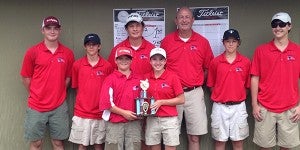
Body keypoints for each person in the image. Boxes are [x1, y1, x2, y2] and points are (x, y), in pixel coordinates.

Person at [160, 6, 214, 150]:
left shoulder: (203, 42)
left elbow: (208, 68)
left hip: (194, 93)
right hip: (172, 94)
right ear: (176, 20)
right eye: (181, 17)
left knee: (194, 136)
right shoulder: (166, 42)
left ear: (193, 20)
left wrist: (196, 81)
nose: (184, 20)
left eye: (187, 17)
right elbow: (160, 68)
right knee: (171, 136)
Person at [20, 16, 75, 150]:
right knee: (36, 143)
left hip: (59, 106)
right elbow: (26, 77)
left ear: (59, 31)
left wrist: (57, 92)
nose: (52, 31)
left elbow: (67, 78)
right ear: (42, 30)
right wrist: (37, 93)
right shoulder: (32, 52)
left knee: (58, 143)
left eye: (55, 28)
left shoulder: (67, 53)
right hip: (36, 106)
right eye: (48, 28)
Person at [251, 12, 300, 150]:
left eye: (282, 24)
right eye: (274, 24)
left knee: (286, 147)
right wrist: (254, 105)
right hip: (265, 107)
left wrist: (299, 106)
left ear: (289, 26)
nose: (278, 28)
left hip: (290, 107)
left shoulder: (297, 51)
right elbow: (255, 77)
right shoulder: (261, 51)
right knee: (265, 147)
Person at [108, 12, 155, 150]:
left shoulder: (152, 49)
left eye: (137, 25)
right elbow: (112, 75)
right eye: (131, 26)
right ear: (126, 29)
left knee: (146, 137)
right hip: (125, 104)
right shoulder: (118, 49)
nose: (135, 29)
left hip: (147, 100)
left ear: (143, 27)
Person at [207, 29, 250, 150]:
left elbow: (247, 87)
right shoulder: (215, 62)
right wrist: (222, 96)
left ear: (238, 43)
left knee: (238, 142)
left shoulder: (245, 62)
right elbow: (211, 85)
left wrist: (236, 96)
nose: (230, 44)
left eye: (234, 41)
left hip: (239, 107)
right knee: (220, 142)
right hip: (220, 107)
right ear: (223, 42)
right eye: (227, 41)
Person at [68, 33, 113, 150]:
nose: (91, 47)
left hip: (100, 112)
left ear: (99, 46)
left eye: (94, 44)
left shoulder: (107, 66)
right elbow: (76, 87)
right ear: (85, 47)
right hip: (82, 112)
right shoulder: (77, 65)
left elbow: (109, 90)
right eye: (88, 45)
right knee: (82, 145)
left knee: (99, 145)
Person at [99, 47, 142, 150]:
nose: (124, 61)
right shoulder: (110, 79)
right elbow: (106, 103)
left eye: (127, 58)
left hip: (134, 123)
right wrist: (124, 113)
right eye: (120, 58)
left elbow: (143, 101)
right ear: (115, 60)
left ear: (131, 60)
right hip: (115, 123)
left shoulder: (139, 79)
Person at [144, 47, 185, 150]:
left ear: (165, 61)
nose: (158, 62)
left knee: (170, 147)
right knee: (154, 147)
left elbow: (181, 99)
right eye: (154, 59)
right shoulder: (145, 78)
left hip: (169, 118)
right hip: (152, 118)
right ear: (150, 61)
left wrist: (161, 102)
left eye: (161, 59)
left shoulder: (172, 77)